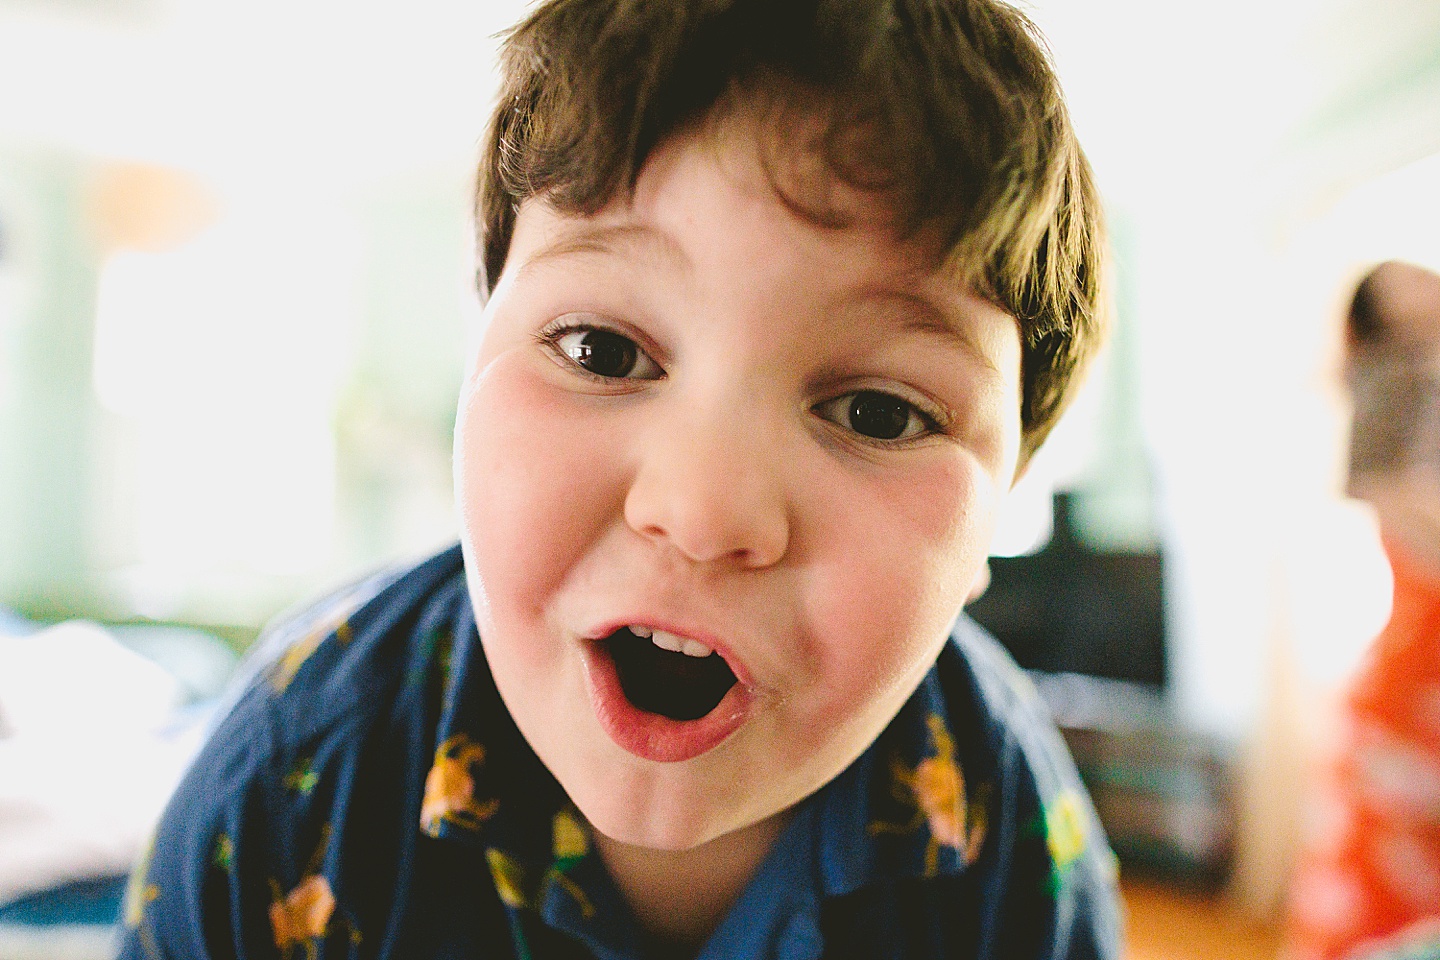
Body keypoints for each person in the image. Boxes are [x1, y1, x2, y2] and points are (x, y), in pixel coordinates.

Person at [117, 0, 1121, 957]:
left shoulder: (1007, 830)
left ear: (998, 514)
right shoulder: (293, 779)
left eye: (877, 414)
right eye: (601, 350)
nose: (700, 512)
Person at [1286, 261, 1440, 960]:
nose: (1427, 281)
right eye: (1406, 280)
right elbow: (1402, 515)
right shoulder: (1394, 383)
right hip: (1414, 678)